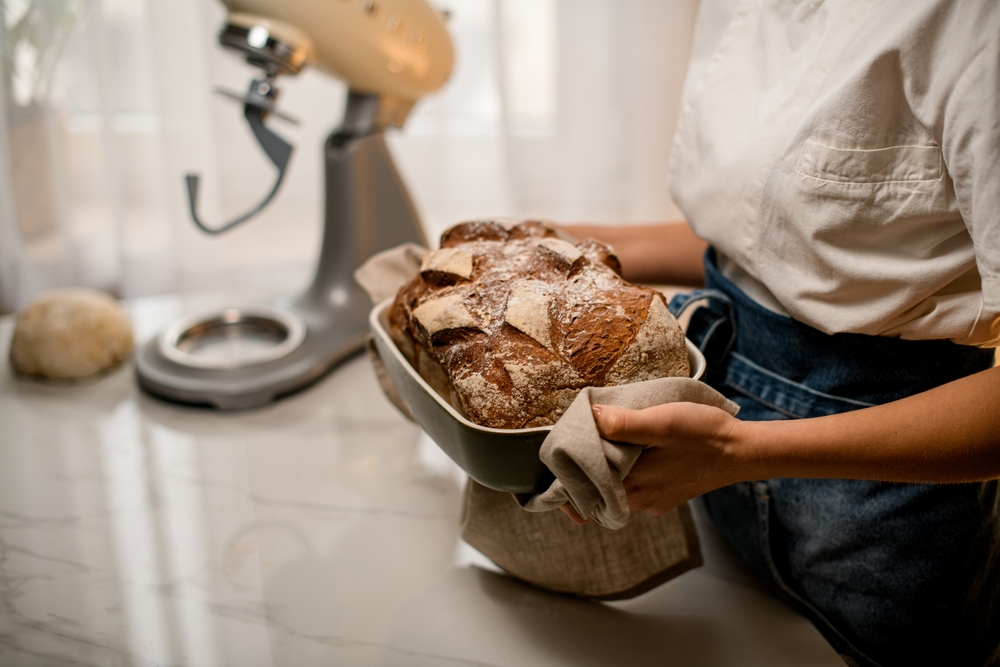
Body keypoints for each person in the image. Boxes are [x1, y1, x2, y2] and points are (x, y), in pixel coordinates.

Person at [560, 1, 1000, 665]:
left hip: (883, 522)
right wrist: (571, 245)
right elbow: (767, 246)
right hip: (717, 482)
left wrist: (742, 450)